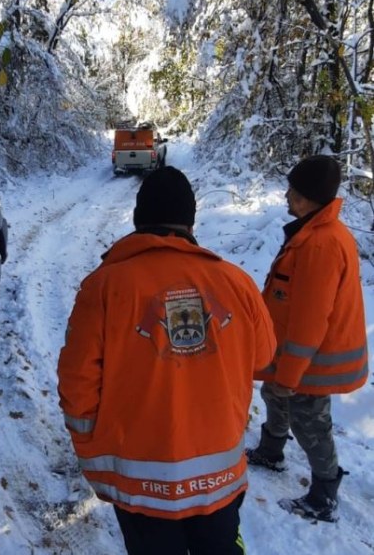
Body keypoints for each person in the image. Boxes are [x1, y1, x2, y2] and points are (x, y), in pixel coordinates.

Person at [57, 166, 276, 555]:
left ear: (138, 219)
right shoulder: (237, 283)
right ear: (191, 222)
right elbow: (263, 358)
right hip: (219, 479)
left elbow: (77, 385)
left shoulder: (103, 287)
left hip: (143, 487)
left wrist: (91, 448)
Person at [246, 155, 369, 523]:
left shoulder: (322, 244)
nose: (287, 196)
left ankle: (324, 492)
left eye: (294, 192)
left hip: (313, 358)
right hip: (293, 351)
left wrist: (290, 374)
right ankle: (271, 450)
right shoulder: (312, 232)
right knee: (273, 393)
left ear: (311, 198)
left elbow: (311, 319)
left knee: (310, 420)